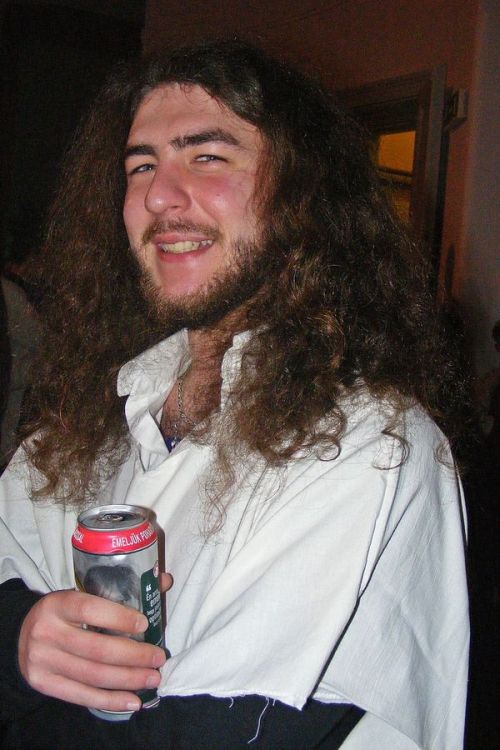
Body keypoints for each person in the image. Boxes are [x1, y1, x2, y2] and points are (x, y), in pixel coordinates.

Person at [0, 41, 469, 749]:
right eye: (140, 166)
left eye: (207, 156)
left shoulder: (374, 444)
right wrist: (20, 638)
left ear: (302, 196)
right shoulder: (94, 415)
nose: (159, 195)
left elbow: (219, 733)